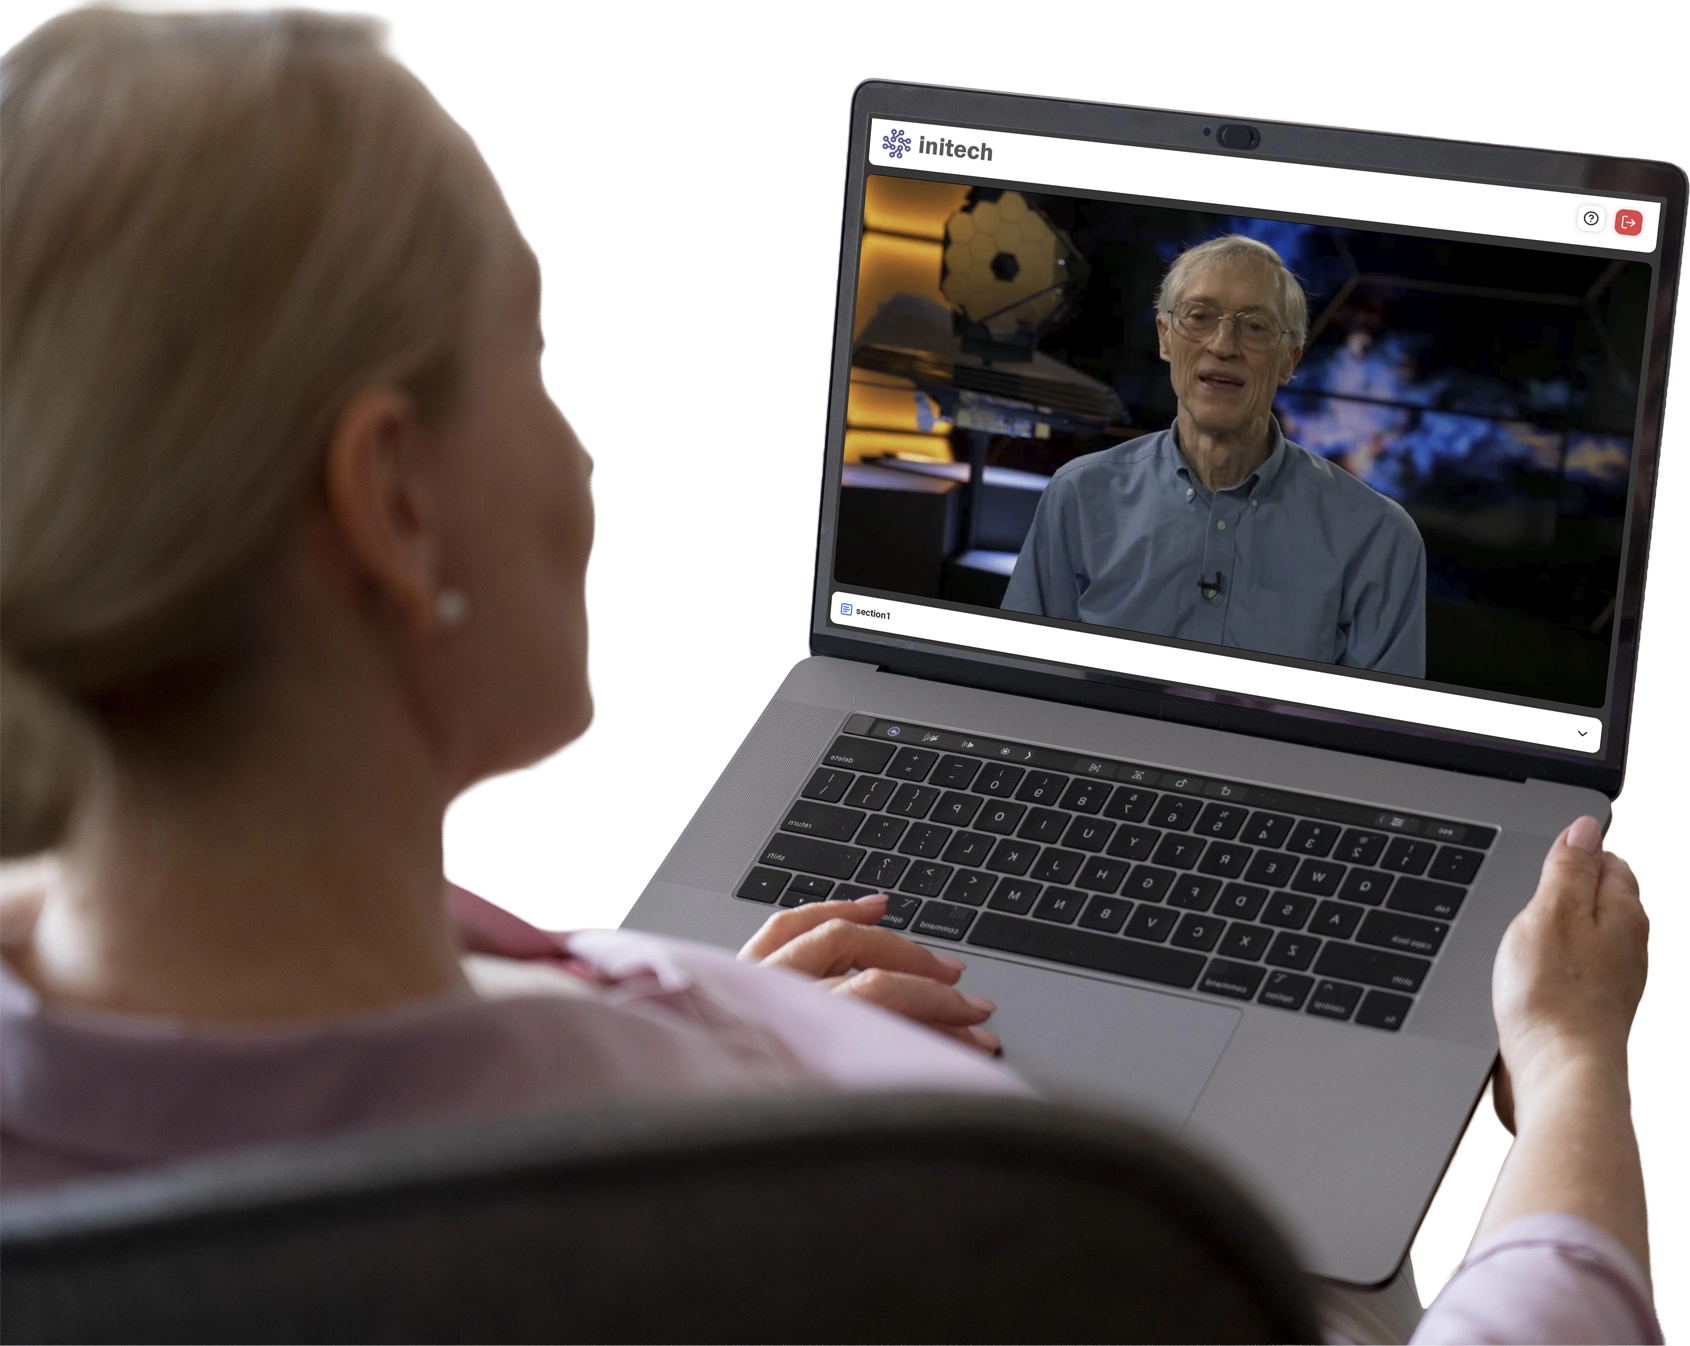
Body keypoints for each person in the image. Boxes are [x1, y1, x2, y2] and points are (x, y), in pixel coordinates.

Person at [0, 8, 1661, 1345]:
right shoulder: (872, 1221)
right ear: (392, 498)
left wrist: (723, 1005)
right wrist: (1576, 1058)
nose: (577, 457)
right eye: (530, 359)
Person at [1002, 235, 1429, 678]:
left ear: (1290, 360)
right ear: (1165, 337)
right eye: (1199, 317)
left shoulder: (1379, 537)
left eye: (1256, 326)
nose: (1223, 345)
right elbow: (1019, 684)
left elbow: (1373, 738)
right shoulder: (1079, 495)